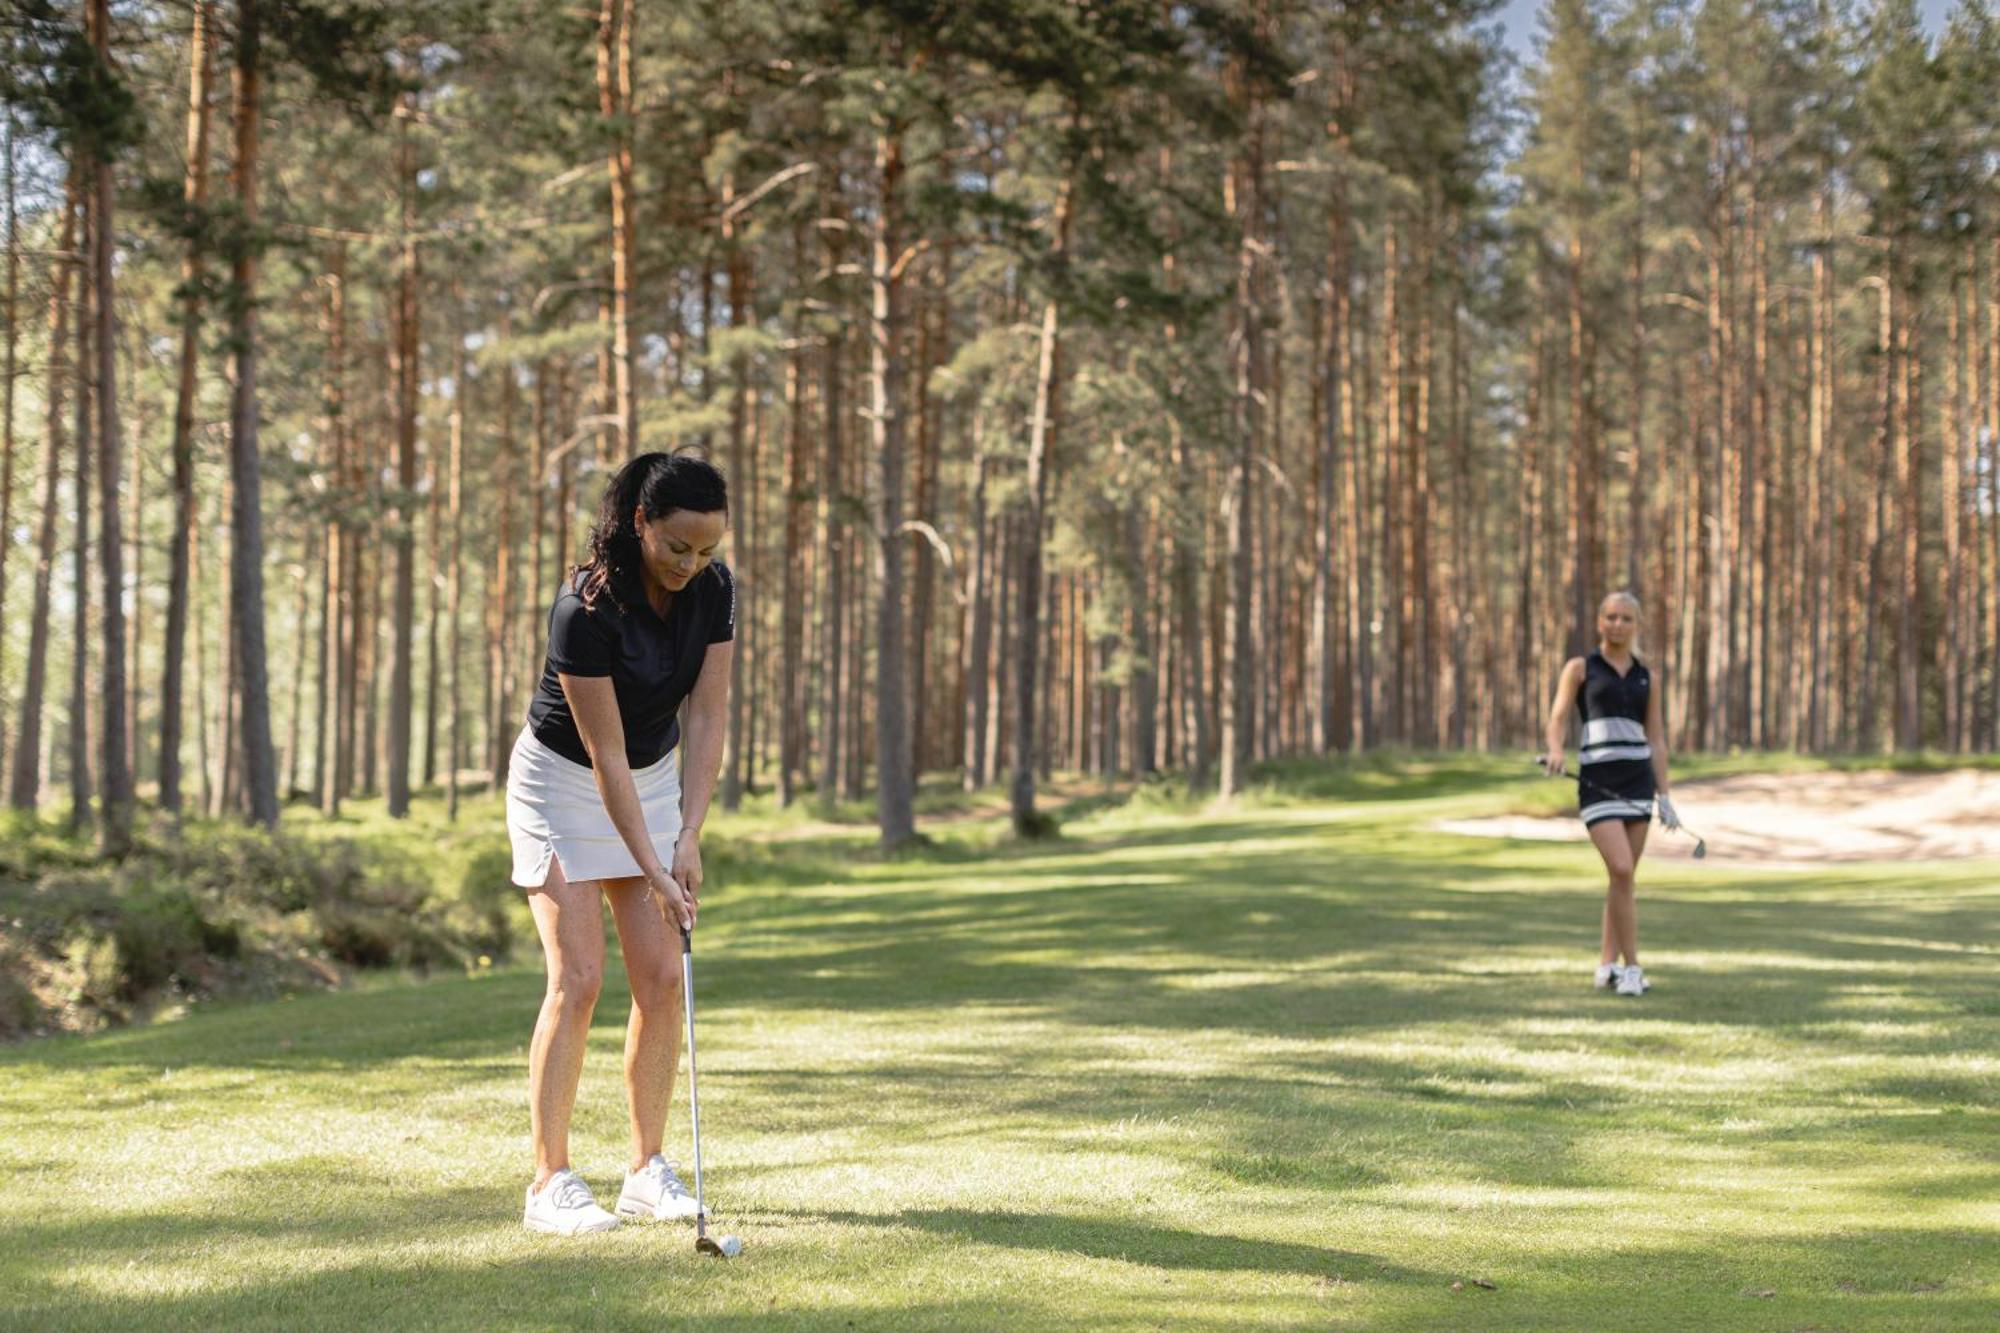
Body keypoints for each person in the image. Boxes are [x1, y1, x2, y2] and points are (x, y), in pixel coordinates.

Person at [504, 452, 735, 1234]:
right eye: (676, 546)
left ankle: (645, 1170)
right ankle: (549, 1182)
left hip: (656, 779)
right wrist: (651, 864)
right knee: (579, 975)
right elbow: (603, 757)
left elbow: (705, 717)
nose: (690, 564)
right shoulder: (585, 608)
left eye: (705, 550)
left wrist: (690, 833)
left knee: (663, 975)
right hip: (565, 785)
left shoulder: (714, 591)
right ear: (640, 521)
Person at [1541, 591, 1679, 998]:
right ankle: (1632, 968)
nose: (1617, 624)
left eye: (1625, 619)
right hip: (1598, 783)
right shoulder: (1581, 668)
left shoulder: (1646, 677)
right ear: (1600, 622)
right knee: (1620, 870)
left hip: (1638, 782)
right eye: (1611, 617)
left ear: (1636, 625)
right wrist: (1555, 749)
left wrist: (1665, 795)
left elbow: (1655, 736)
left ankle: (1606, 964)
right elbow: (1559, 716)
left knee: (1622, 879)